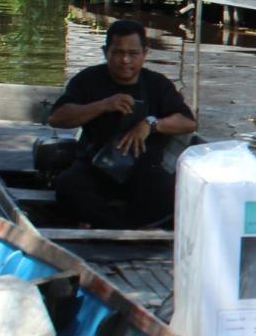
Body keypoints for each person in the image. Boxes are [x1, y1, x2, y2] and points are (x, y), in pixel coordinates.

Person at [46, 19, 196, 229]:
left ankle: (107, 225)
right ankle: (125, 228)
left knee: (175, 190)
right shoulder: (88, 79)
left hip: (143, 170)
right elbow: (57, 118)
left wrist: (150, 125)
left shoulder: (157, 84)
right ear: (106, 51)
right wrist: (103, 105)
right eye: (118, 52)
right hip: (96, 167)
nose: (125, 60)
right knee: (67, 185)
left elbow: (188, 122)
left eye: (133, 53)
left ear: (144, 53)